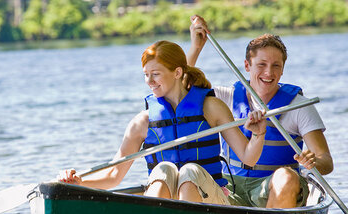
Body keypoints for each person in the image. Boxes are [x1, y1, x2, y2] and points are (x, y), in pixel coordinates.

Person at [58, 40, 266, 205]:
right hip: (169, 209)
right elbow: (114, 174)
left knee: (189, 171)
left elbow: (248, 158)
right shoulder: (142, 122)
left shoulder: (211, 107)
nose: (149, 81)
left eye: (155, 74)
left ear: (177, 73)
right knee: (163, 169)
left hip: (213, 204)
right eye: (146, 75)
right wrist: (79, 182)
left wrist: (258, 135)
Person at [188, 15, 333, 208]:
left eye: (276, 66)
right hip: (229, 185)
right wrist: (196, 47)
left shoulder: (299, 106)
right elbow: (184, 90)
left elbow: (326, 161)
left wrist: (314, 162)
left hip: (276, 187)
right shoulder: (225, 97)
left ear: (282, 70)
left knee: (286, 176)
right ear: (247, 66)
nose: (269, 73)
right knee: (190, 173)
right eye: (262, 64)